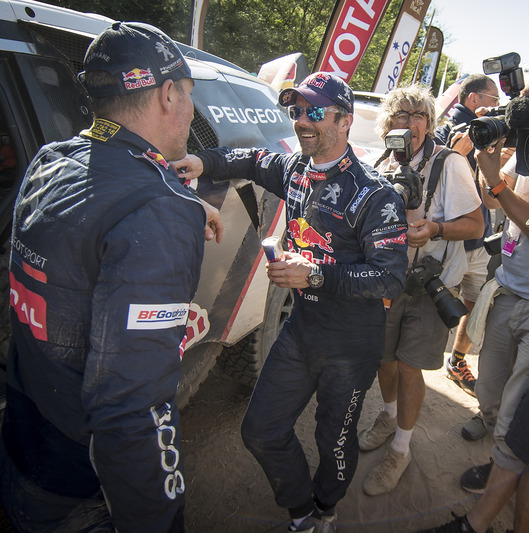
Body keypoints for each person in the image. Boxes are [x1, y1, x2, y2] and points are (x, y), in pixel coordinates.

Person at [0, 21, 221, 532]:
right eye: (189, 96)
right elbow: (132, 409)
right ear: (168, 94)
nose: (191, 111)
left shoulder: (52, 160)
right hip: (78, 487)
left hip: (22, 439)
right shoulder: (157, 211)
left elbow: (110, 184)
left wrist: (175, 199)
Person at [171, 72, 409, 532]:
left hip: (351, 345)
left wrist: (314, 272)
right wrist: (202, 160)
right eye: (296, 111)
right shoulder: (296, 169)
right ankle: (302, 512)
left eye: (315, 111)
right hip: (301, 331)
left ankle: (326, 511)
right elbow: (250, 158)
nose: (302, 121)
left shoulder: (375, 195)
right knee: (259, 430)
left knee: (333, 443)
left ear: (345, 120)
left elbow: (389, 278)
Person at [420, 59, 529, 533]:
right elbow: (498, 203)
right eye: (523, 95)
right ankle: (504, 465)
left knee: (519, 413)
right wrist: (484, 166)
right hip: (512, 288)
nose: (521, 105)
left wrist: (494, 178)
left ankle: (490, 506)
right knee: (493, 393)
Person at [357, 84, 484, 496]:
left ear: (430, 123)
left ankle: (401, 447)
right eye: (400, 115)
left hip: (430, 285)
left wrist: (435, 229)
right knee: (383, 358)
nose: (408, 123)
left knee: (410, 366)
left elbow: (477, 225)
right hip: (387, 280)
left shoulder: (449, 164)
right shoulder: (380, 160)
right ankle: (389, 414)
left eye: (417, 116)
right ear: (387, 122)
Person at [434, 73, 501, 397]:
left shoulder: (491, 134)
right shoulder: (448, 131)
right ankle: (413, 361)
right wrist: (454, 152)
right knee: (431, 300)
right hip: (450, 238)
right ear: (473, 99)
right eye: (493, 99)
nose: (496, 107)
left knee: (474, 303)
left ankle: (457, 360)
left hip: (480, 237)